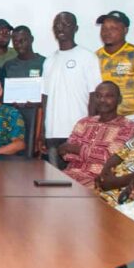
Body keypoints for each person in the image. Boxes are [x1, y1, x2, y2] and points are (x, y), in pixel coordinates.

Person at [39, 12, 102, 168]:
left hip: (78, 132)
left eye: (66, 24)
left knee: (78, 180)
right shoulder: (49, 61)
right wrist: (42, 129)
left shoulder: (88, 57)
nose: (61, 28)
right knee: (54, 181)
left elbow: (94, 95)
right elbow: (45, 97)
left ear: (75, 28)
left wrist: (90, 130)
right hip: (53, 133)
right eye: (57, 25)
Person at [59, 82, 134, 187]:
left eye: (108, 96)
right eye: (98, 96)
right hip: (69, 175)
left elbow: (110, 157)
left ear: (119, 100)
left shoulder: (127, 127)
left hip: (98, 181)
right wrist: (94, 154)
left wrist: (77, 150)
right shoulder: (84, 122)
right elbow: (66, 154)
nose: (102, 100)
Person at [96, 10, 134, 123]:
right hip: (105, 119)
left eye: (113, 28)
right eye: (104, 28)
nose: (107, 32)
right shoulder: (95, 57)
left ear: (125, 30)